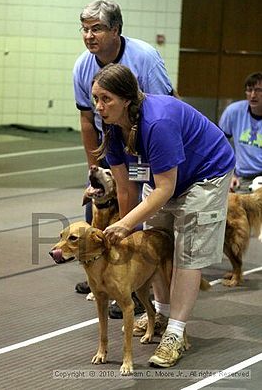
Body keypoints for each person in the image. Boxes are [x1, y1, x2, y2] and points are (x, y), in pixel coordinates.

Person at [91, 63, 235, 367]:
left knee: (187, 253)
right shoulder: (111, 126)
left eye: (106, 99)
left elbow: (166, 188)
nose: (99, 106)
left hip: (205, 173)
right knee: (155, 246)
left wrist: (127, 223)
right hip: (162, 180)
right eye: (95, 99)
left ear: (127, 99)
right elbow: (125, 187)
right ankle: (160, 315)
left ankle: (176, 333)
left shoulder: (158, 122)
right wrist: (127, 233)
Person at [73, 0, 173, 309]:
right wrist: (93, 171)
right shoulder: (82, 66)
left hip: (146, 143)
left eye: (97, 29)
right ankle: (105, 273)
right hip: (112, 142)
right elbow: (88, 119)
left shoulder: (145, 57)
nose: (90, 35)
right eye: (85, 29)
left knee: (140, 211)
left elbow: (166, 109)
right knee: (98, 211)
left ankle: (136, 285)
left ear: (116, 30)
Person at [219, 72, 262, 192]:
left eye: (258, 90)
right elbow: (219, 145)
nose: (253, 95)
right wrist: (229, 173)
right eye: (249, 90)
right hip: (240, 178)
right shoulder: (233, 111)